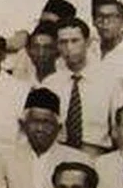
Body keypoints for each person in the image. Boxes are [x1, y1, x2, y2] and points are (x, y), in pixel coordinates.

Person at [44, 17, 118, 155]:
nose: (69, 48)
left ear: (88, 42)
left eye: (75, 41)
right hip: (59, 155)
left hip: (97, 155)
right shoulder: (50, 84)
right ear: (57, 46)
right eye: (63, 42)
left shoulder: (109, 81)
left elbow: (118, 128)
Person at [90, 0, 123, 81]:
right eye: (100, 17)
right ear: (93, 21)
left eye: (111, 17)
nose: (105, 22)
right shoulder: (89, 50)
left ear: (122, 21)